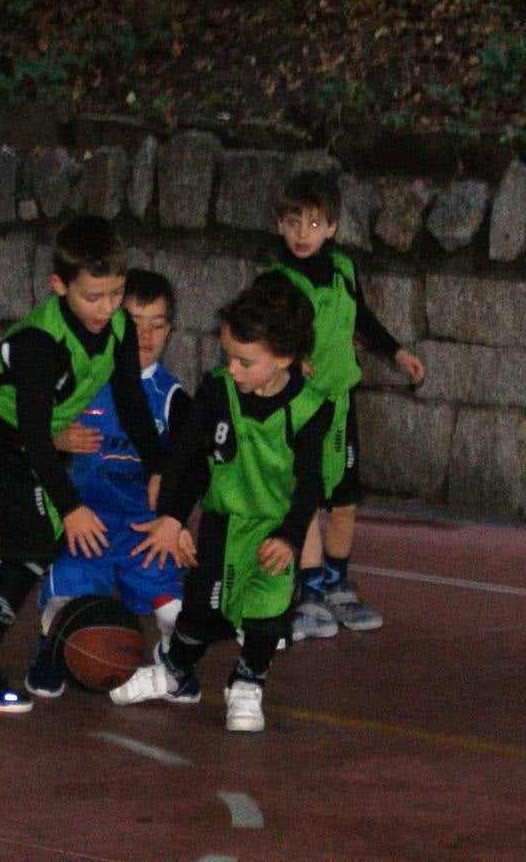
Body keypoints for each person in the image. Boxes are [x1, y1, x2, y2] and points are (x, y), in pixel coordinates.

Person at [0, 215, 175, 713]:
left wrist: (158, 465)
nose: (105, 308)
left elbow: (131, 401)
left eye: (115, 293)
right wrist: (73, 504)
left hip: (26, 435)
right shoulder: (41, 343)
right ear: (59, 286)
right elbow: (36, 436)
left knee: (48, 535)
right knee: (31, 544)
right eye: (91, 297)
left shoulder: (118, 326)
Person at [109, 276, 332, 732]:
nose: (232, 368)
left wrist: (291, 535)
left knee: (267, 613)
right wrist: (172, 516)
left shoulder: (310, 410)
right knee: (201, 611)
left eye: (245, 361)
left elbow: (310, 483)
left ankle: (248, 682)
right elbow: (187, 462)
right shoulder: (217, 392)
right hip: (223, 522)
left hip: (272, 530)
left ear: (284, 359)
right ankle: (173, 672)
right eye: (228, 355)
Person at [265, 171, 425, 641]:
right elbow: (262, 335)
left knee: (344, 501)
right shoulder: (277, 282)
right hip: (302, 406)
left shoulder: (343, 271)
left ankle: (337, 584)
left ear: (332, 227)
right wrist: (291, 361)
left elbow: (363, 320)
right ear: (279, 225)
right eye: (293, 223)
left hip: (340, 403)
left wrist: (396, 351)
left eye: (314, 224)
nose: (302, 234)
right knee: (309, 497)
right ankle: (309, 591)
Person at [23, 269, 189, 698]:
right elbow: (30, 438)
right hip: (85, 522)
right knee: (65, 594)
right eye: (134, 323)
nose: (146, 335)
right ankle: (53, 648)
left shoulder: (174, 398)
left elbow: (188, 472)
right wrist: (56, 438)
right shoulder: (81, 380)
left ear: (171, 329)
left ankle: (175, 664)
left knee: (176, 610)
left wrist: (176, 519)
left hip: (142, 529)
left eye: (158, 324)